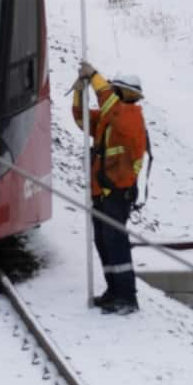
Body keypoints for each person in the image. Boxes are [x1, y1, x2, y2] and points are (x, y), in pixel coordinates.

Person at [72, 60, 148, 315]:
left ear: (127, 93)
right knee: (104, 241)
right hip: (103, 192)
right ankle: (114, 291)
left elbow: (110, 105)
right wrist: (79, 91)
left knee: (116, 242)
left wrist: (93, 76)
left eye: (116, 89)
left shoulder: (129, 117)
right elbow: (82, 119)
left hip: (117, 193)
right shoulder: (111, 118)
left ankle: (127, 297)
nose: (112, 92)